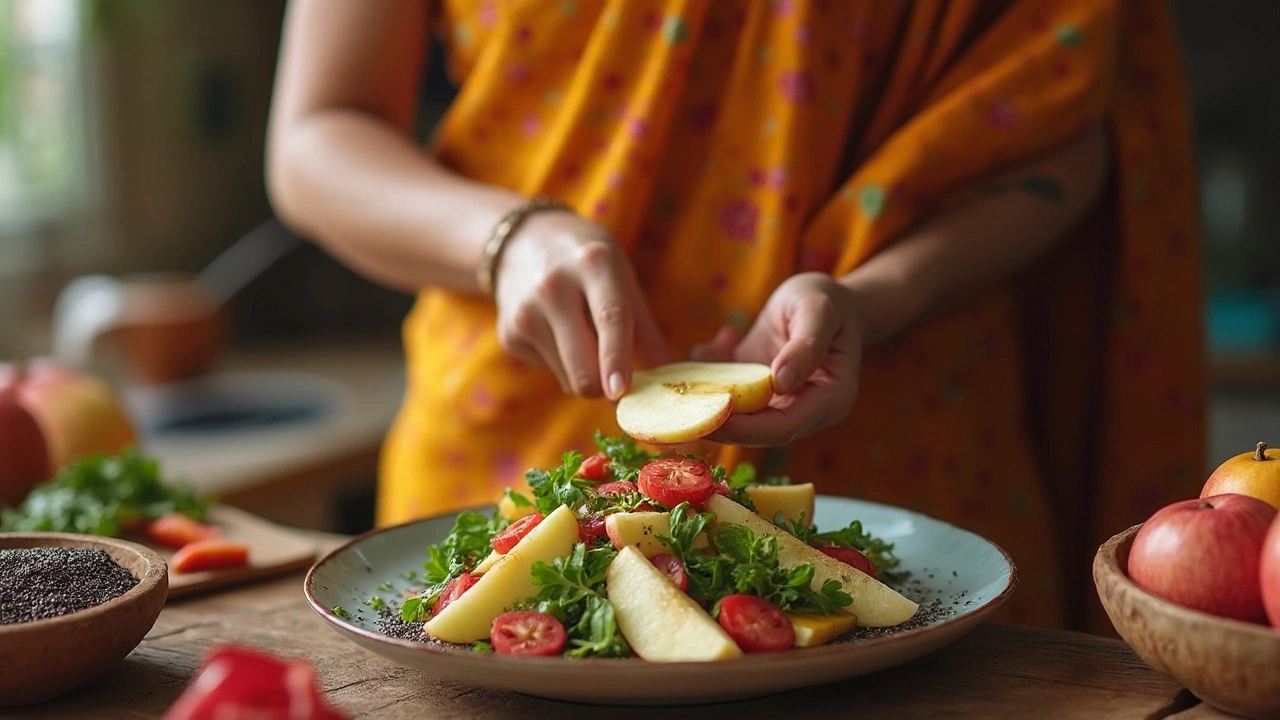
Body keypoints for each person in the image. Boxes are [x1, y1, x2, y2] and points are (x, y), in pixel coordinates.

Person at [265, 0, 1204, 632]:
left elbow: (1059, 127)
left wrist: (879, 297)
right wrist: (507, 239)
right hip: (515, 445)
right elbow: (315, 135)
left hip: (917, 466)